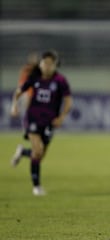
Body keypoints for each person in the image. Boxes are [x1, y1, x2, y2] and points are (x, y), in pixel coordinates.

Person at [10, 50, 72, 196]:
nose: (48, 66)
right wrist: (14, 106)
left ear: (55, 65)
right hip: (33, 119)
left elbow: (68, 100)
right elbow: (19, 91)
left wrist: (61, 117)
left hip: (49, 122)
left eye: (51, 63)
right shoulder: (34, 77)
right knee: (37, 151)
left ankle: (22, 151)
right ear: (41, 64)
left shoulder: (60, 80)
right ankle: (36, 187)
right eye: (45, 63)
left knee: (40, 154)